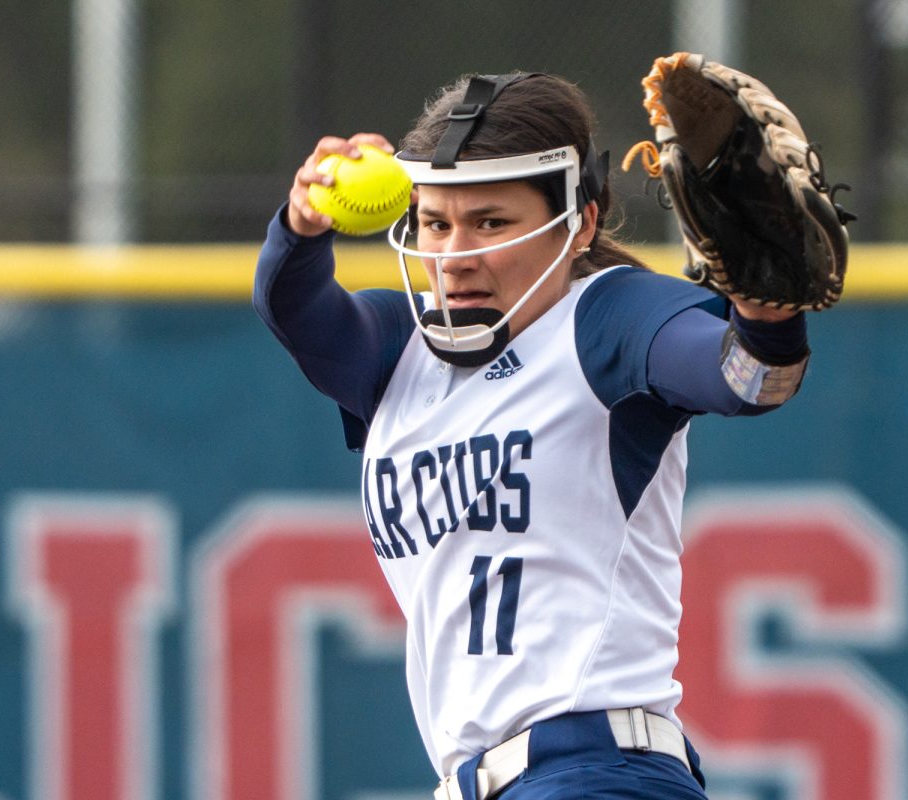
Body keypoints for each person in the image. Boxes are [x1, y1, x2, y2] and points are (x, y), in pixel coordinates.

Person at [254, 71, 810, 800]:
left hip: (597, 772)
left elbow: (745, 378)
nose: (455, 255)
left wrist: (766, 313)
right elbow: (294, 309)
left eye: (490, 222)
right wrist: (300, 225)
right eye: (435, 222)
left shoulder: (605, 318)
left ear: (579, 223)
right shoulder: (401, 350)